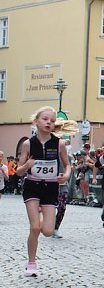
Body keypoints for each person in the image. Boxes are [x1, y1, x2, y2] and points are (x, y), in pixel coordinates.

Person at [17, 107, 72, 277]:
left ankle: (41, 213)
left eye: (52, 120)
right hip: (32, 186)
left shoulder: (59, 143)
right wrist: (27, 166)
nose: (49, 122)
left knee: (47, 231)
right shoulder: (28, 143)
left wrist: (66, 176)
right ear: (36, 121)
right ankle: (31, 263)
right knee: (35, 228)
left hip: (50, 188)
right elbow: (18, 170)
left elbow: (68, 165)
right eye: (45, 119)